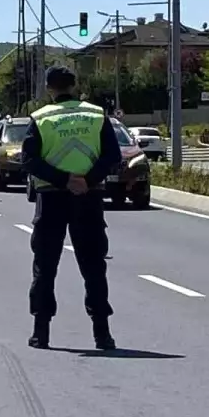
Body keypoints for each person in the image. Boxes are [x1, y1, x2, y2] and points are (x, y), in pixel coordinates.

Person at [21, 66, 123, 352]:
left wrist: (63, 180)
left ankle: (41, 333)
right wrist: (85, 181)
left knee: (45, 267)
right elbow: (112, 156)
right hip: (88, 198)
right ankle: (102, 335)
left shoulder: (40, 118)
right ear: (75, 86)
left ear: (49, 88)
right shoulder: (95, 115)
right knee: (93, 267)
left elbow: (29, 160)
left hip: (51, 198)